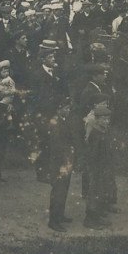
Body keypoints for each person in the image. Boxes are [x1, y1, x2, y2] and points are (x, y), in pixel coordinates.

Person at [82, 103, 117, 229]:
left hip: (104, 168)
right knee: (94, 193)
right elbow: (92, 155)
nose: (107, 121)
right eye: (104, 119)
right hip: (97, 169)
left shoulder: (104, 131)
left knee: (101, 192)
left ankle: (97, 216)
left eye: (108, 119)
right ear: (96, 119)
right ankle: (89, 219)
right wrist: (95, 170)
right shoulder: (95, 134)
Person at [45, 98, 75, 232]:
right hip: (59, 162)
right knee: (58, 190)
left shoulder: (63, 120)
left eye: (69, 108)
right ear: (59, 108)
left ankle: (60, 215)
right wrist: (65, 161)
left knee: (64, 189)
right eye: (66, 108)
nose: (68, 110)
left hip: (65, 160)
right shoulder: (55, 123)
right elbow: (57, 145)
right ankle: (53, 220)